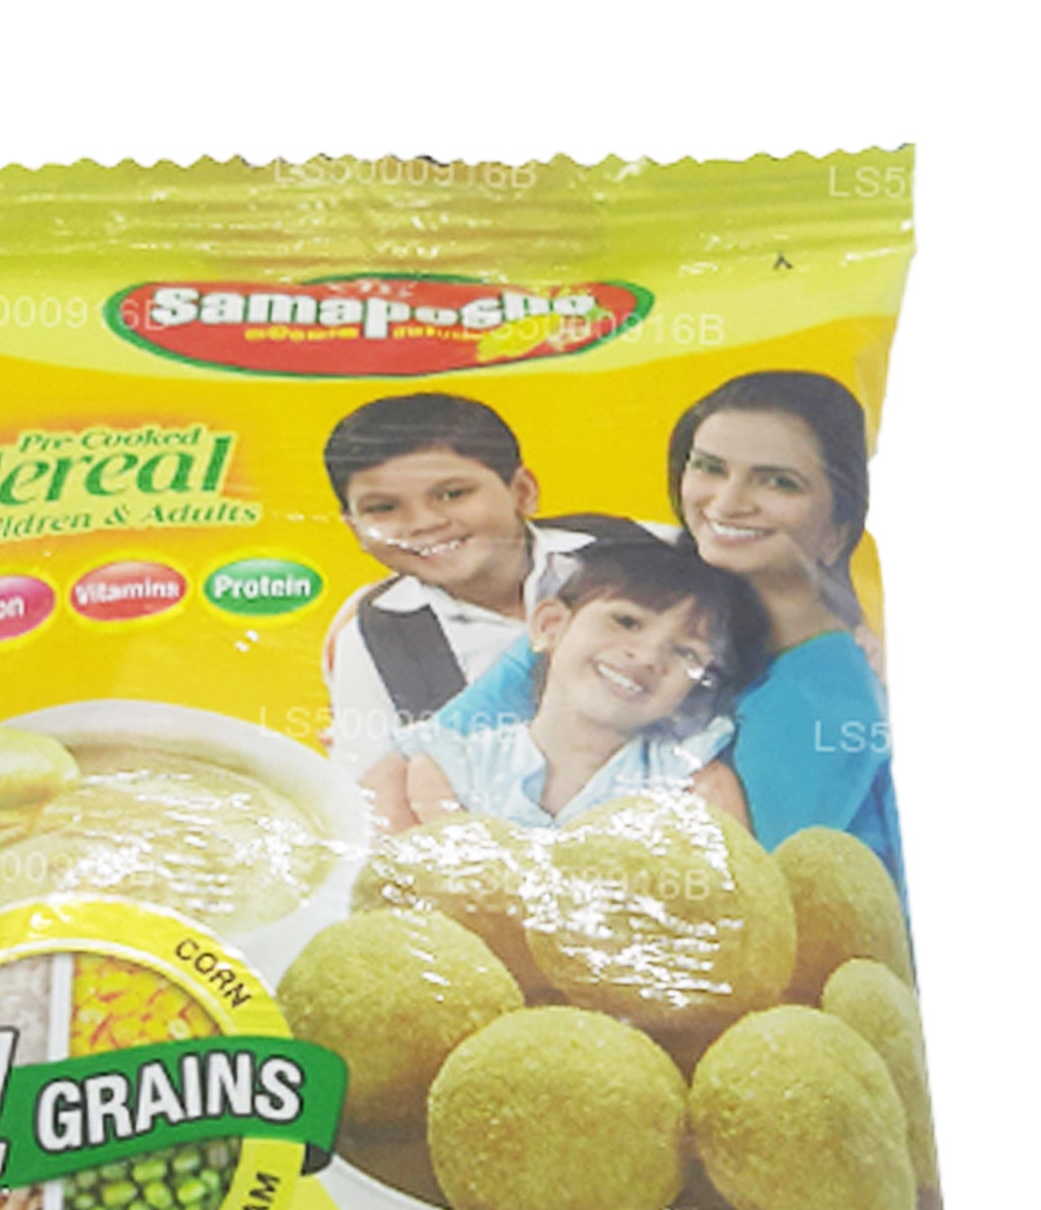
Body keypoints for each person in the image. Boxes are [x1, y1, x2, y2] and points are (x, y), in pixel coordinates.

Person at [423, 372, 905, 881]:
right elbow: (416, 758)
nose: (727, 503)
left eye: (779, 482)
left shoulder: (826, 692)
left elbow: (760, 898)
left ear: (838, 528)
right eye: (709, 468)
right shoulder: (627, 598)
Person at [319, 392, 641, 779]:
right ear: (354, 527)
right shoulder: (376, 639)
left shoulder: (635, 550)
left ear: (523, 492)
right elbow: (366, 784)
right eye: (383, 508)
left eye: (452, 494)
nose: (423, 523)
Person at [365, 541, 769, 831]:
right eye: (627, 621)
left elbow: (726, 902)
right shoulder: (451, 764)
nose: (648, 657)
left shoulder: (690, 783)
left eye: (685, 652)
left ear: (695, 690)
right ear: (550, 626)